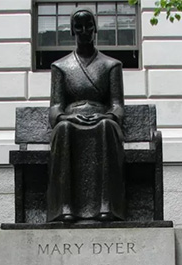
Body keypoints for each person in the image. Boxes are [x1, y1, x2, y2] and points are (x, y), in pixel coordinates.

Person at [47, 7, 125, 222]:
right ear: (72, 31)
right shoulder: (61, 66)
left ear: (95, 29)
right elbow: (55, 107)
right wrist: (66, 117)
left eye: (88, 26)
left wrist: (108, 116)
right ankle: (64, 207)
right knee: (63, 129)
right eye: (79, 27)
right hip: (72, 121)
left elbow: (117, 105)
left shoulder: (111, 65)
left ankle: (107, 206)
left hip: (101, 120)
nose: (84, 31)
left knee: (107, 128)